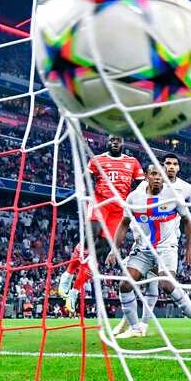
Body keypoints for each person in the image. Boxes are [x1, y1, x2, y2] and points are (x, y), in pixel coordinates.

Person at [113, 152, 191, 335]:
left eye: (173, 164)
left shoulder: (181, 191)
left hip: (167, 245)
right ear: (147, 176)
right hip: (142, 246)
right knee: (127, 284)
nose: (159, 176)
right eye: (154, 173)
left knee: (165, 284)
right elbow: (125, 221)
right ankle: (134, 326)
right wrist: (114, 249)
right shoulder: (136, 194)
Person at [57, 134, 144, 314]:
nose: (115, 143)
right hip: (100, 203)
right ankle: (68, 274)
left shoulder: (133, 162)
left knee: (100, 250)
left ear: (123, 143)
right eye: (112, 140)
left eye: (118, 140)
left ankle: (75, 291)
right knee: (91, 237)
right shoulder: (97, 160)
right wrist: (88, 193)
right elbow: (86, 177)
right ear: (107, 143)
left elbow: (142, 185)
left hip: (119, 210)